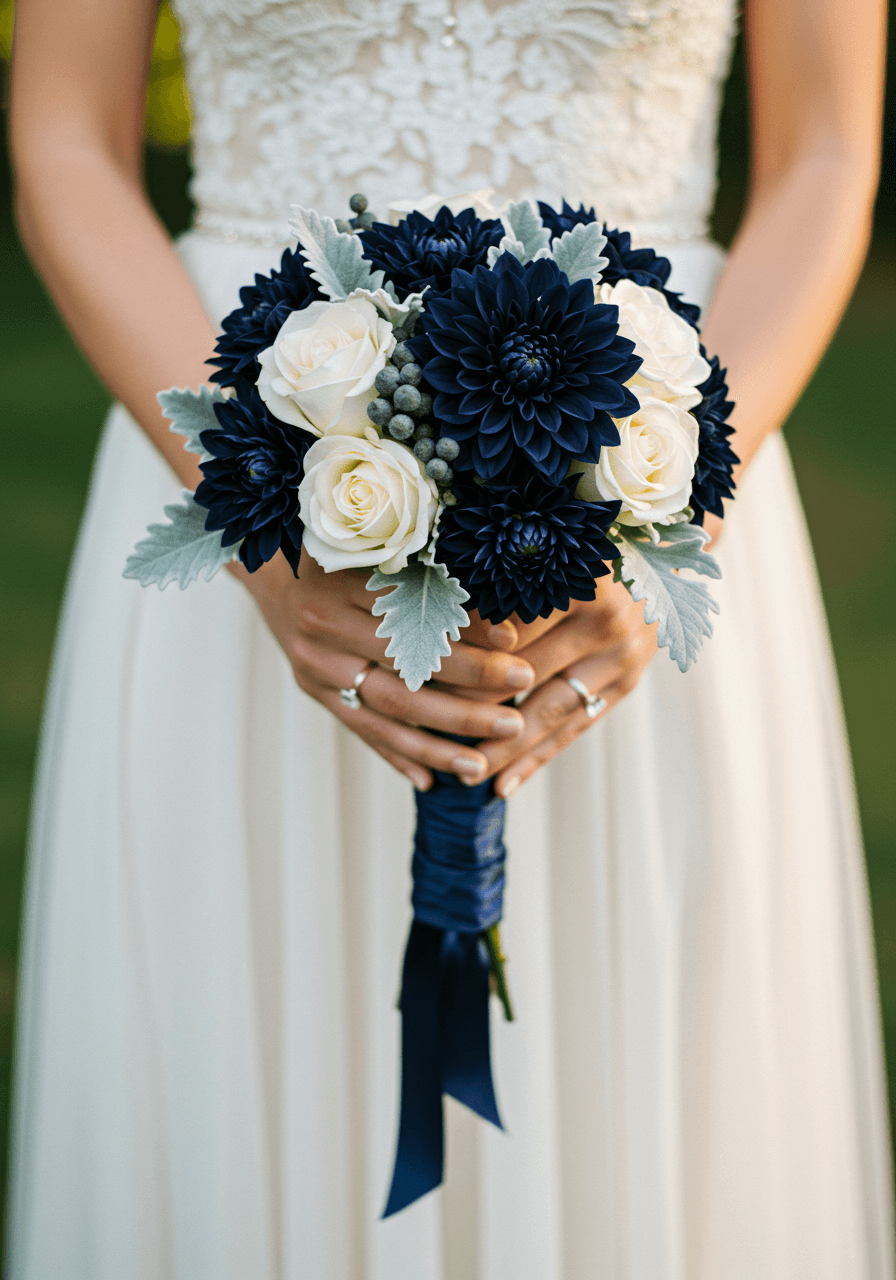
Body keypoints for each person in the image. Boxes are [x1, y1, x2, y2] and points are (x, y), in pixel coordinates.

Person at [6, 0, 892, 1275]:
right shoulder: (249, 518)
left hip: (652, 452)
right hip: (233, 430)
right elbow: (61, 138)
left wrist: (669, 505)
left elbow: (823, 154)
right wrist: (260, 529)